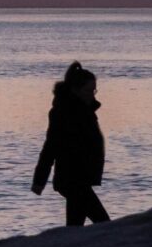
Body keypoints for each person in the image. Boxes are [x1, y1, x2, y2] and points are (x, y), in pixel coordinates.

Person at [31, 61, 110, 226]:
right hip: (72, 180)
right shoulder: (64, 112)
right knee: (104, 224)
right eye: (88, 90)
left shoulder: (84, 110)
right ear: (75, 91)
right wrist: (39, 180)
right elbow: (50, 148)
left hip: (81, 179)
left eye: (94, 90)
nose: (93, 95)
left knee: (74, 229)